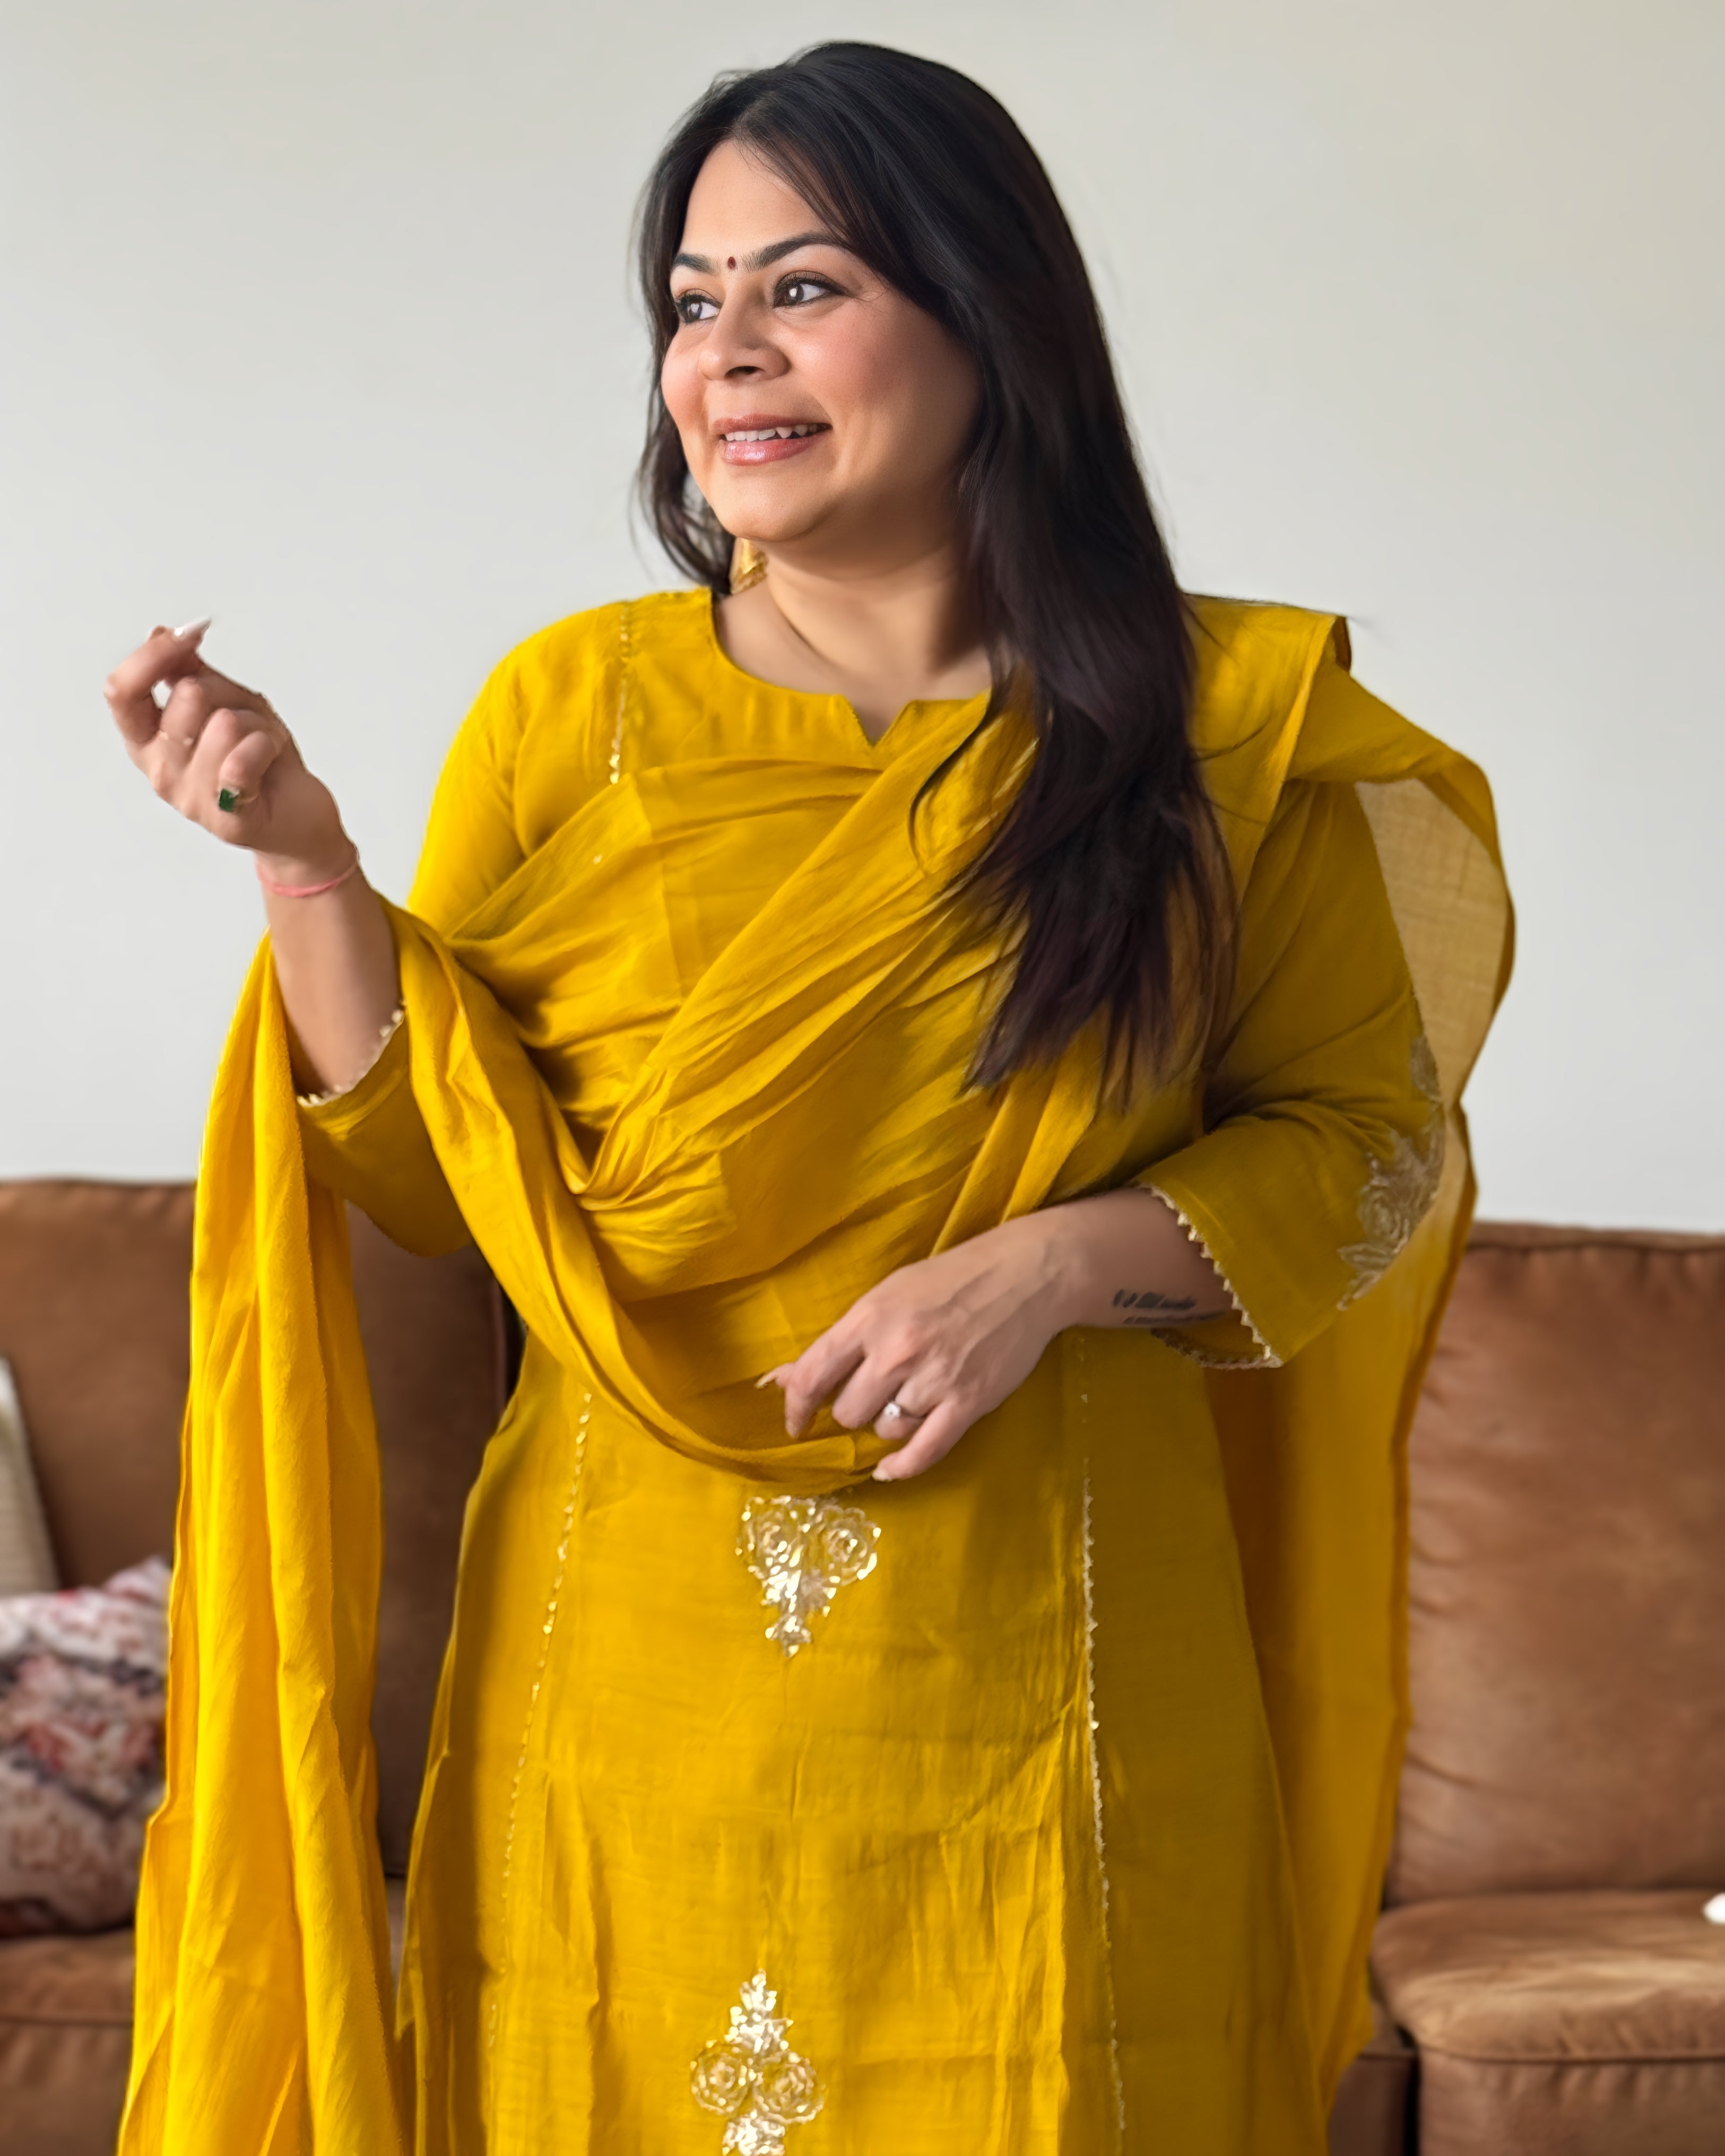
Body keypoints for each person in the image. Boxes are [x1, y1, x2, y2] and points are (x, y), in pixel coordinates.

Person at [103, 41, 1510, 2156]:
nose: (728, 354)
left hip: (1059, 1672)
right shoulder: (571, 714)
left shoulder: (1219, 733)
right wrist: (307, 862)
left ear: (990, 319)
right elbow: (430, 1174)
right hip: (629, 1675)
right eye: (692, 300)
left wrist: (1052, 1262)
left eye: (808, 286)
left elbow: (1364, 1146)